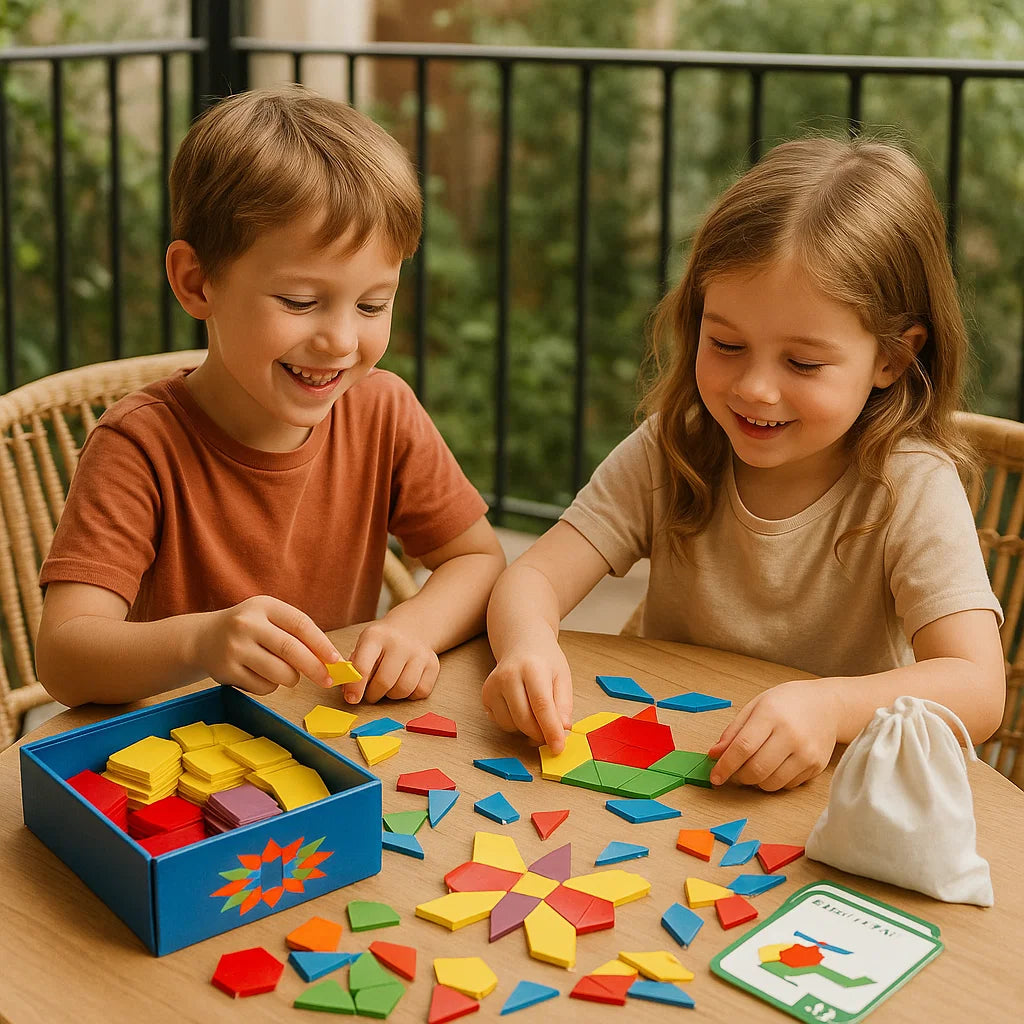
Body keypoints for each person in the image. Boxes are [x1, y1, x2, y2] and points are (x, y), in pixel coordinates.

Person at [484, 136, 1006, 790]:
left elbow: (979, 689)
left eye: (803, 363)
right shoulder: (673, 446)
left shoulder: (909, 485)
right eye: (726, 343)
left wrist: (829, 706)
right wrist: (527, 646)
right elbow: (531, 578)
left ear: (892, 360)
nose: (754, 388)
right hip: (655, 782)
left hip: (825, 803)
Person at [36, 85, 505, 708]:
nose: (340, 341)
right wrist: (199, 643)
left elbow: (479, 560)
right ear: (197, 283)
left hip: (327, 745)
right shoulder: (139, 446)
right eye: (300, 302)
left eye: (372, 305)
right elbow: (64, 657)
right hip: (179, 763)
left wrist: (408, 628)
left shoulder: (381, 411)